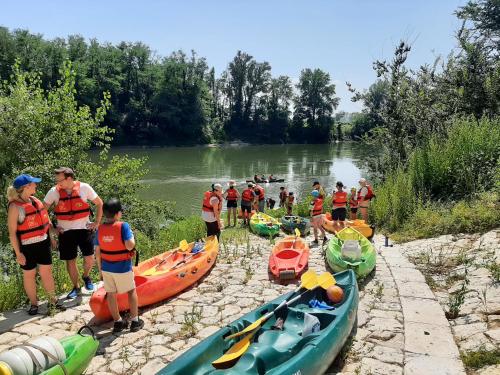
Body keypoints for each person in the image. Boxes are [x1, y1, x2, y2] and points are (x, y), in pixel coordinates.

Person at [7, 174, 64, 315]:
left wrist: (51, 236)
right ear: (26, 187)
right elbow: (12, 233)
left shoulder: (35, 200)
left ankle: (53, 302)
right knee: (29, 275)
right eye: (33, 184)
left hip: (43, 243)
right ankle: (34, 304)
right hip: (26, 247)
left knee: (47, 273)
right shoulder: (15, 207)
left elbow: (46, 220)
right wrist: (18, 253)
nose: (36, 185)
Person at [44, 167, 103, 299]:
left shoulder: (84, 188)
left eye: (60, 179)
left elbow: (99, 203)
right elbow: (43, 211)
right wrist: (52, 228)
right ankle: (76, 287)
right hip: (65, 232)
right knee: (70, 261)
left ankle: (86, 276)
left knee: (89, 258)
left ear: (69, 178)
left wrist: (97, 222)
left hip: (84, 228)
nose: (57, 182)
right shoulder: (54, 192)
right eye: (57, 179)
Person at [94, 198, 144, 333]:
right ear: (117, 214)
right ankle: (134, 321)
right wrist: (132, 236)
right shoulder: (123, 226)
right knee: (131, 291)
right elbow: (130, 246)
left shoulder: (100, 229)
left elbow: (97, 252)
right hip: (122, 268)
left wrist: (100, 270)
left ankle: (118, 322)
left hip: (106, 268)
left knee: (111, 294)